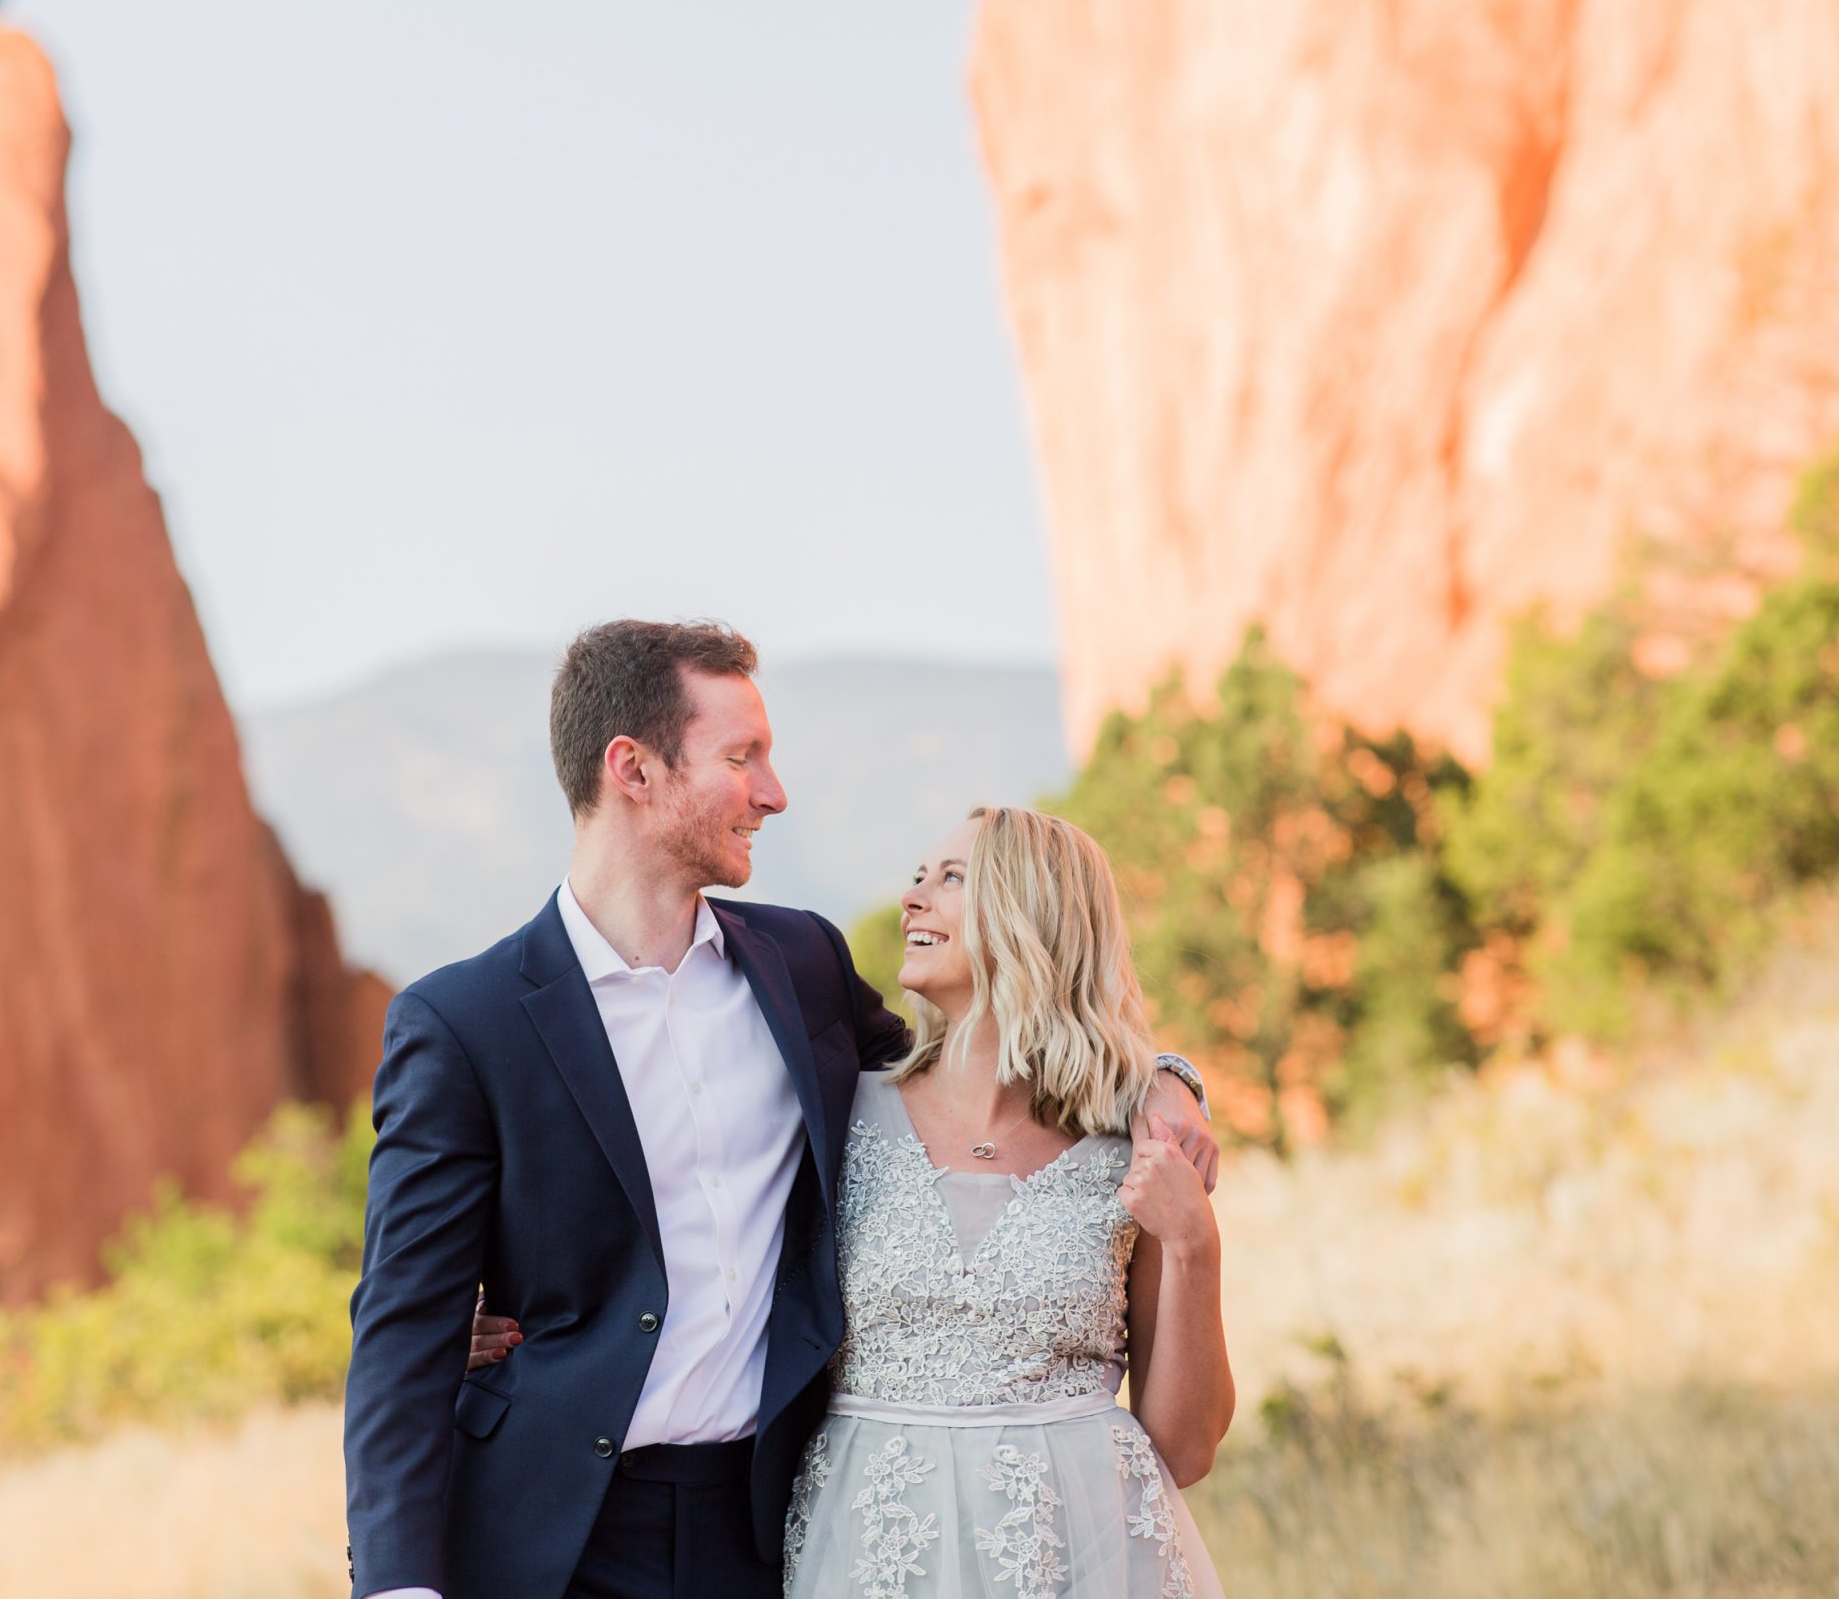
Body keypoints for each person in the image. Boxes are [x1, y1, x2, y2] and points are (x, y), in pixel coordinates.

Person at [342, 620, 1216, 1599]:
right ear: (632, 767)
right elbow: (401, 1334)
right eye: (741, 756)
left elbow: (982, 1073)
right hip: (549, 1539)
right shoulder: (464, 1022)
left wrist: (1162, 1079)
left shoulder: (802, 967)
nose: (773, 791)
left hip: (770, 1530)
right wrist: (396, 1586)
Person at [778, 805, 1232, 1598]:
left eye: (953, 879)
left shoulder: (1138, 1147)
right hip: (872, 1553)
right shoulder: (836, 1113)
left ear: (1033, 917)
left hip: (1087, 1555)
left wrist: (1196, 1245)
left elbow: (1186, 1452)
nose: (914, 898)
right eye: (919, 877)